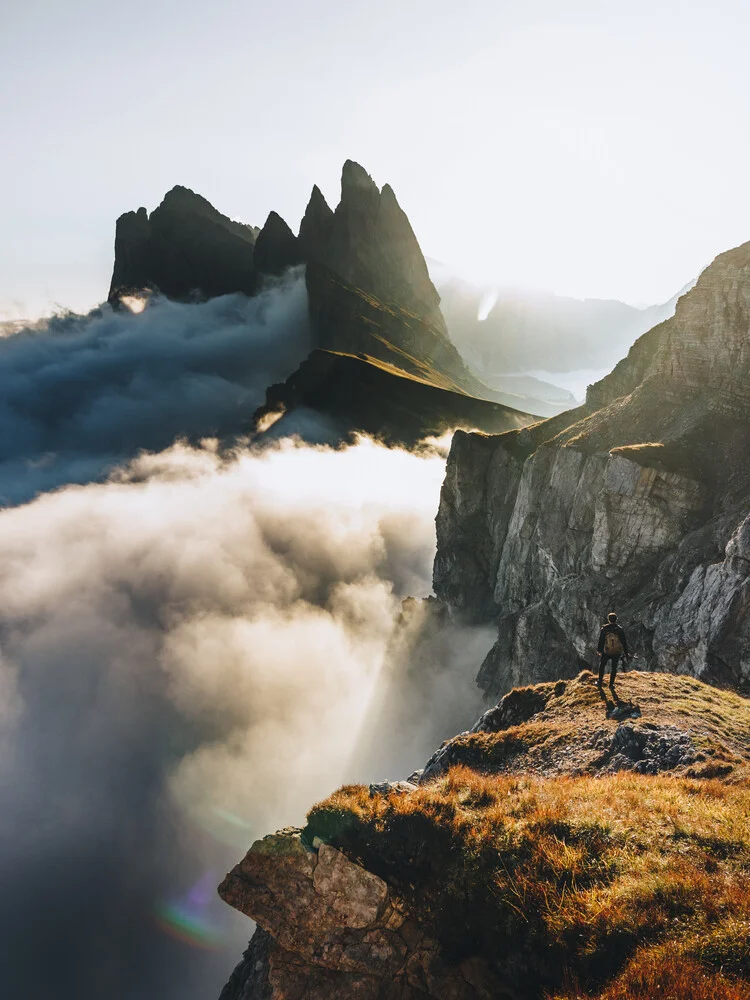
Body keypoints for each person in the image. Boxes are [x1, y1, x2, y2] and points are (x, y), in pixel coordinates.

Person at [597, 612, 630, 687]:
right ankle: (611, 684)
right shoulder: (619, 629)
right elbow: (624, 642)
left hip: (607, 651)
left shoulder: (604, 629)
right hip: (616, 652)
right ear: (616, 619)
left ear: (608, 619)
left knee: (602, 665)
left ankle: (599, 681)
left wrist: (599, 650)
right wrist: (626, 652)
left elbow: (601, 640)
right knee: (614, 667)